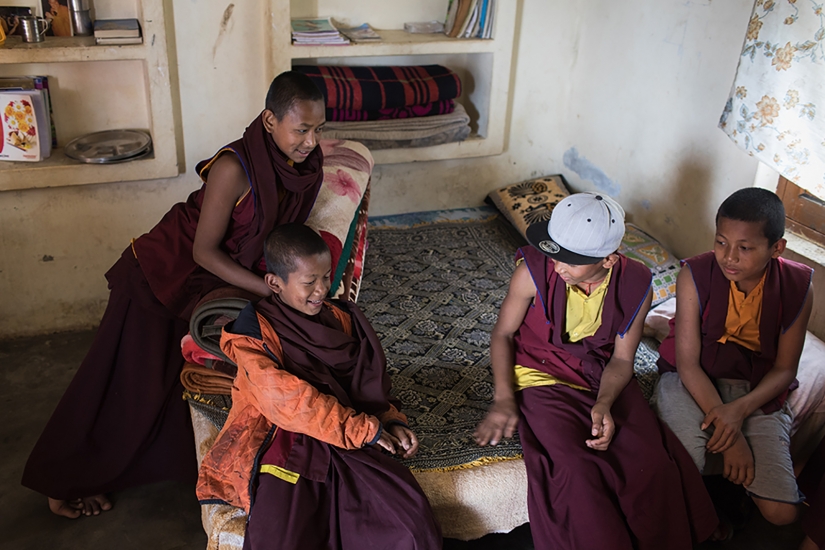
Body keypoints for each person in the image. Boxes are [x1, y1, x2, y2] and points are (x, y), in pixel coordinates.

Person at [22, 71, 329, 519]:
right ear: (268, 120)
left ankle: (127, 471)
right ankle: (60, 481)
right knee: (119, 383)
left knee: (166, 386)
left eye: (319, 128)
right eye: (301, 129)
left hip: (201, 287)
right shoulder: (234, 169)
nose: (311, 141)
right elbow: (203, 252)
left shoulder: (302, 164)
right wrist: (267, 287)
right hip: (162, 275)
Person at [474, 193, 719, 550]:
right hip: (540, 374)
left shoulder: (635, 285)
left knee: (653, 464)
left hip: (601, 376)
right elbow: (503, 333)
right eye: (555, 253)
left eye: (571, 262)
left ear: (609, 259)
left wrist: (604, 404)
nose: (558, 267)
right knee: (575, 470)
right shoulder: (533, 272)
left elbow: (621, 361)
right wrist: (503, 398)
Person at [197, 223, 442, 550]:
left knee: (408, 525)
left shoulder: (341, 319)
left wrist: (389, 419)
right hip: (280, 432)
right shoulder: (252, 333)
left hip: (348, 424)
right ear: (275, 283)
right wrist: (362, 430)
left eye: (326, 277)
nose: (322, 290)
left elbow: (367, 384)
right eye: (309, 282)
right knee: (284, 534)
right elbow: (283, 398)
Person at [655, 187, 814, 533]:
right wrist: (735, 439)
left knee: (782, 514)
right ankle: (707, 517)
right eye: (721, 242)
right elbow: (687, 364)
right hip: (694, 378)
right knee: (686, 465)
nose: (729, 257)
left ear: (777, 248)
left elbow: (785, 369)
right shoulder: (695, 274)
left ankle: (725, 503)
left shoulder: (797, 285)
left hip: (755, 386)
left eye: (745, 248)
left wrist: (737, 413)